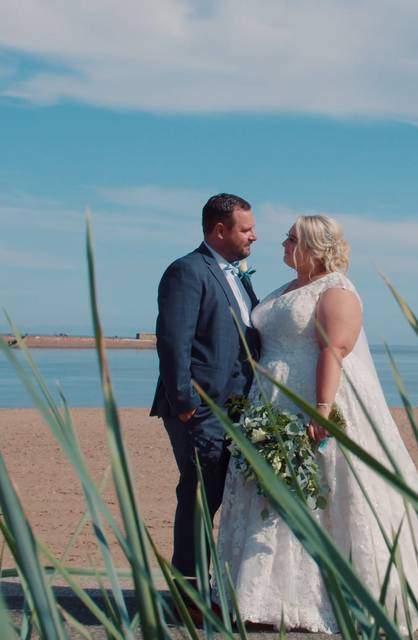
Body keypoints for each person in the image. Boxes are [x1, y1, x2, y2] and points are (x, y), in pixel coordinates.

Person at [216, 215, 418, 632]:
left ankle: (327, 593)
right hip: (270, 399)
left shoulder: (335, 290)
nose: (282, 242)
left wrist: (323, 407)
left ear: (312, 245)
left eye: (291, 238)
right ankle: (260, 594)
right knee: (272, 492)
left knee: (322, 489)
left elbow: (334, 348)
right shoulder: (288, 288)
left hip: (311, 397)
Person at [150, 193, 261, 587]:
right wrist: (185, 404)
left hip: (236, 410)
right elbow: (172, 341)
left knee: (221, 497)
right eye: (246, 229)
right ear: (219, 230)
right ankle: (190, 592)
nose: (254, 237)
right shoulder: (187, 271)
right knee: (199, 498)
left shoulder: (237, 275)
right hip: (201, 410)